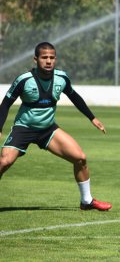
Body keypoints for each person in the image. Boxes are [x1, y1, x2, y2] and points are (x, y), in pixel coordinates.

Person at [0, 42, 112, 211]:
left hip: (48, 130)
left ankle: (87, 201)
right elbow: (6, 103)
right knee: (4, 162)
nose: (49, 61)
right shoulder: (24, 80)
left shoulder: (62, 78)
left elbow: (75, 97)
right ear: (35, 59)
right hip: (23, 128)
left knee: (80, 158)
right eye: (44, 57)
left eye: (52, 57)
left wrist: (92, 118)